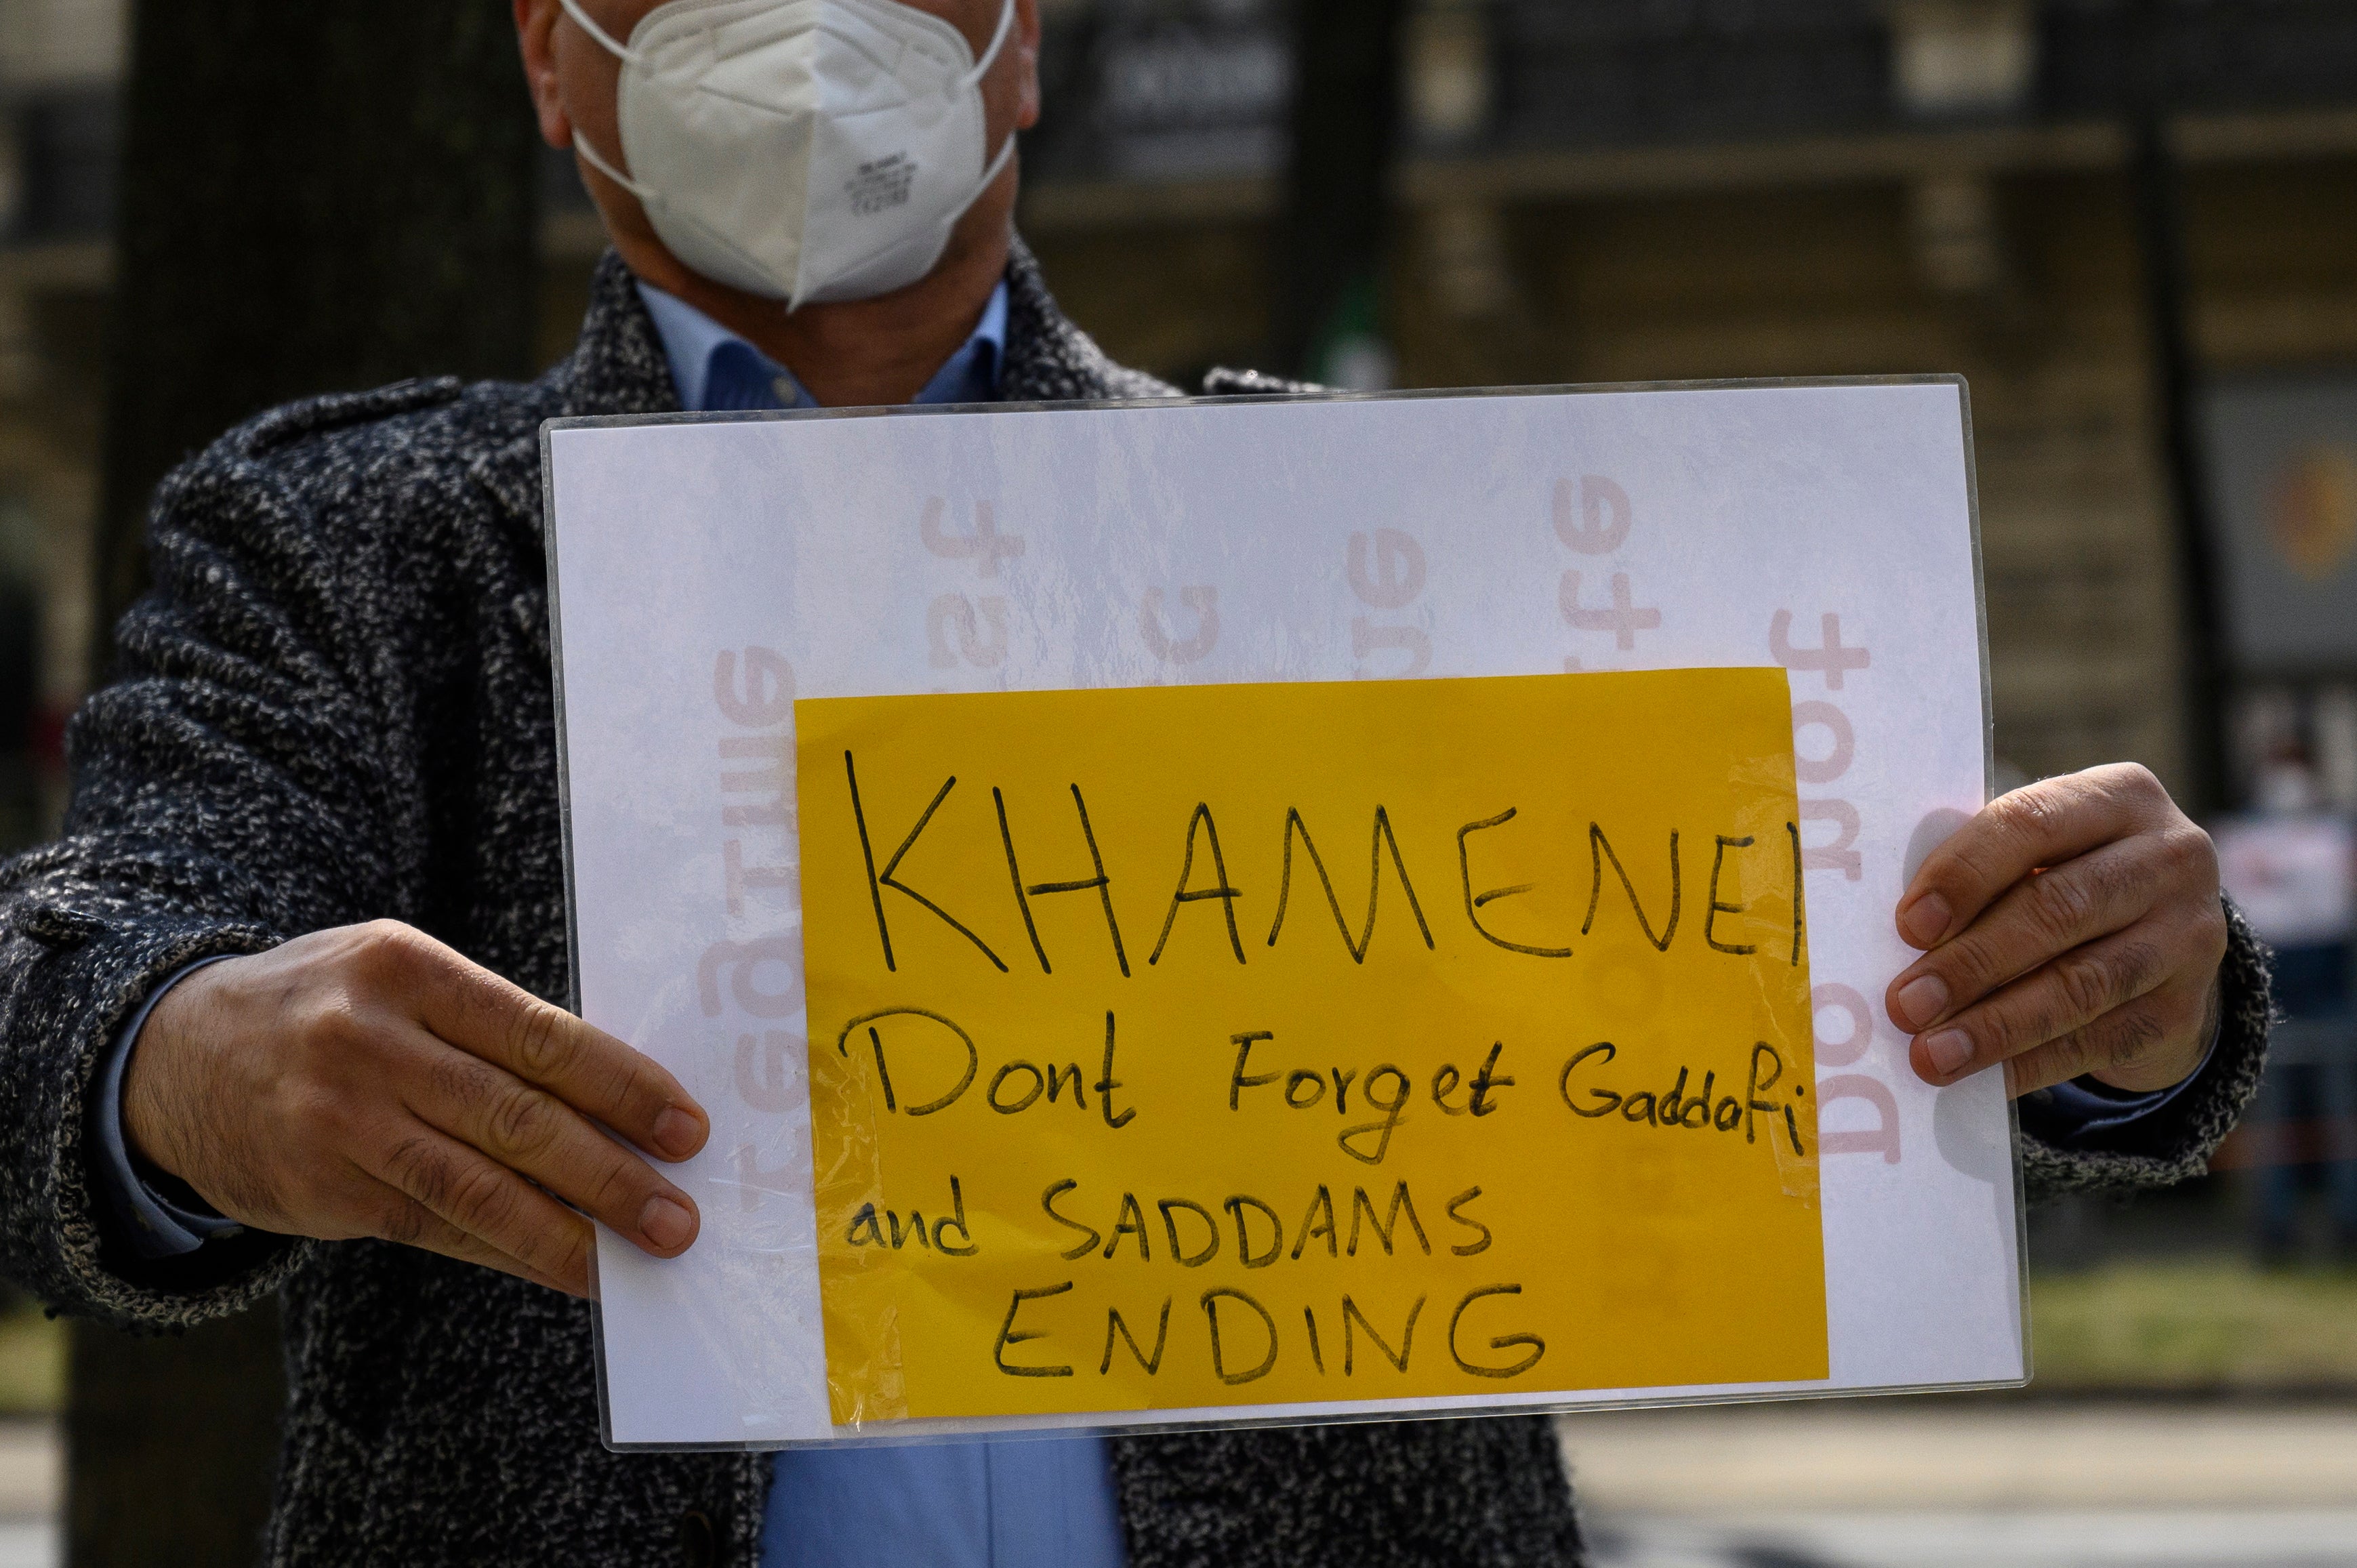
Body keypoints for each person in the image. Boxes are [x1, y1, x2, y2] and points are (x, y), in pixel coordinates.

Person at [0, 0, 2271, 1563]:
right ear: (544, 52)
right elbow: (82, 990)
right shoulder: (348, 547)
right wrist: (184, 1064)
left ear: (1025, 41)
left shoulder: (1368, 528)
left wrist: (2126, 1004)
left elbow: (1862, 969)